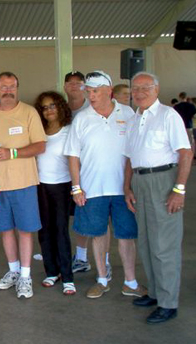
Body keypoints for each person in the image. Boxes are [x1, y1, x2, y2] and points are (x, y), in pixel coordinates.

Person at [64, 70, 146, 299]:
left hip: (123, 189)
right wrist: (76, 187)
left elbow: (133, 152)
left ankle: (130, 282)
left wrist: (130, 186)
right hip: (92, 189)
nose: (91, 96)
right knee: (98, 234)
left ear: (109, 91)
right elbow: (73, 156)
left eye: (96, 91)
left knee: (127, 236)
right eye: (88, 91)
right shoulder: (82, 118)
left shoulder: (128, 113)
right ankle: (102, 279)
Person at [124, 72, 193, 324]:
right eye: (136, 88)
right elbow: (130, 158)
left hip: (163, 180)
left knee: (164, 246)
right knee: (147, 242)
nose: (139, 92)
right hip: (140, 182)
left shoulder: (168, 115)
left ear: (156, 89)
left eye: (145, 88)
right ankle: (154, 293)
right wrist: (127, 188)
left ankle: (168, 303)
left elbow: (185, 152)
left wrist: (179, 189)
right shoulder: (134, 119)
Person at [0, 72, 46, 299]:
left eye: (12, 86)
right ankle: (14, 271)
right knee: (6, 230)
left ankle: (26, 276)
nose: (8, 90)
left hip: (25, 183)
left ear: (17, 88)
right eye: (3, 87)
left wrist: (12, 152)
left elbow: (40, 146)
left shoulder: (29, 112)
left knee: (25, 231)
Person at [63, 71, 113, 277]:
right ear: (65, 86)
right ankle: (81, 257)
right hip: (63, 174)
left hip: (90, 174)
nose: (74, 86)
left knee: (98, 218)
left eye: (79, 83)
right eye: (70, 83)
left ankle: (105, 263)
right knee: (77, 218)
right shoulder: (60, 109)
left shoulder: (92, 108)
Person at [34, 91, 75, 295]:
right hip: (40, 186)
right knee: (44, 231)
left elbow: (76, 161)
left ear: (60, 106)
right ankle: (51, 272)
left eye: (52, 105)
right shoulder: (38, 130)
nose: (49, 110)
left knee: (61, 230)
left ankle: (67, 276)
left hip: (62, 186)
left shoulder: (70, 130)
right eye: (44, 107)